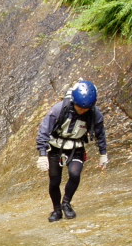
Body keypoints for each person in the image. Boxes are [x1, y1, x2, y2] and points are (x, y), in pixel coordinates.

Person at [36, 80, 108, 222]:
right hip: (56, 148)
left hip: (77, 148)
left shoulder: (94, 114)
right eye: (79, 107)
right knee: (54, 181)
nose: (82, 111)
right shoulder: (59, 109)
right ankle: (57, 210)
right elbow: (44, 130)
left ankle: (66, 203)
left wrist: (103, 154)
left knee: (75, 174)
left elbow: (100, 133)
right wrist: (42, 154)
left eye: (85, 108)